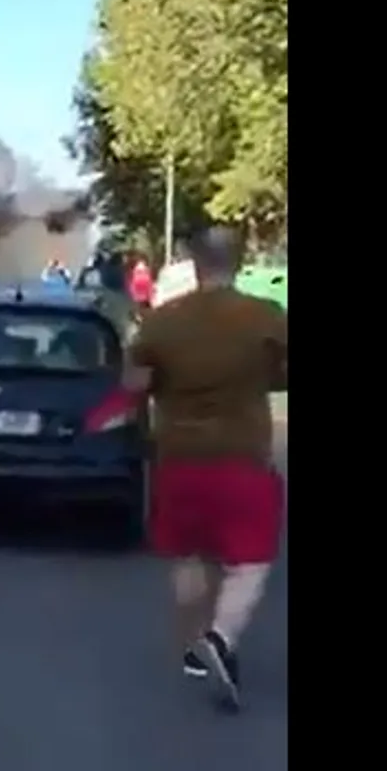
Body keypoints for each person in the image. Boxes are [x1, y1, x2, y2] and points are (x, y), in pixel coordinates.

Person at [127, 225, 287, 712]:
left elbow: (133, 383)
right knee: (250, 562)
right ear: (238, 263)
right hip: (242, 457)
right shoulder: (265, 317)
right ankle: (220, 639)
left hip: (178, 457)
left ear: (194, 264)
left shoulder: (162, 321)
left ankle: (198, 648)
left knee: (187, 554)